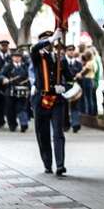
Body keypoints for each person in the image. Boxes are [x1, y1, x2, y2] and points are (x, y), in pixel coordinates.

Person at [30, 30, 70, 175]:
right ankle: (47, 163)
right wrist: (51, 38)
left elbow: (70, 79)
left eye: (50, 39)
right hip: (41, 100)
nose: (49, 42)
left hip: (57, 101)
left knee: (58, 133)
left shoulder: (60, 58)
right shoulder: (37, 57)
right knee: (43, 133)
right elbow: (34, 48)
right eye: (45, 40)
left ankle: (60, 165)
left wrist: (64, 87)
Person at [0, 49, 30, 132]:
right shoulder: (8, 66)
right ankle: (12, 125)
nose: (17, 58)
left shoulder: (25, 66)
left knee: (21, 108)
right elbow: (0, 74)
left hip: (22, 90)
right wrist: (4, 79)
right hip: (10, 89)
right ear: (12, 58)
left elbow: (30, 75)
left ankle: (24, 124)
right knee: (10, 108)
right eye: (15, 56)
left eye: (19, 57)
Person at [65, 45, 83, 133]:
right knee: (64, 107)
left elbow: (82, 76)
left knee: (75, 106)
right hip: (65, 87)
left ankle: (75, 124)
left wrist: (80, 77)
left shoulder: (78, 64)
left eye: (72, 50)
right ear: (66, 51)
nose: (71, 52)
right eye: (69, 50)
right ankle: (65, 125)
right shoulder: (63, 62)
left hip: (75, 87)